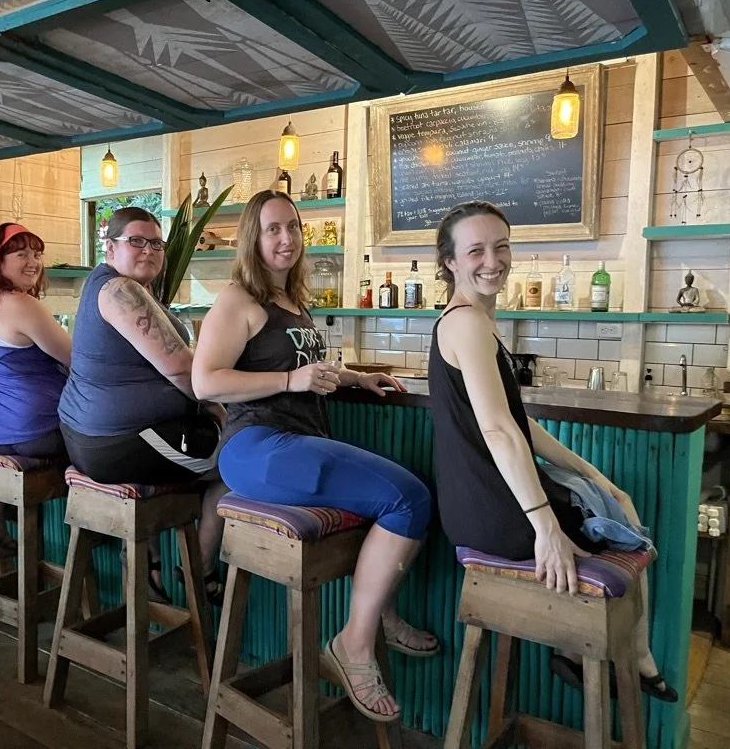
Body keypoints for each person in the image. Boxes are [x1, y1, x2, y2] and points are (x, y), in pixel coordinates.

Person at [191, 190, 437, 724]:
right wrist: (290, 378)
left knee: (405, 497)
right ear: (252, 239)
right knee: (409, 498)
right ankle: (355, 641)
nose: (286, 239)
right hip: (256, 449)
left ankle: (377, 612)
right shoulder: (239, 300)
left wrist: (353, 377)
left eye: (293, 228)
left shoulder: (294, 303)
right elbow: (204, 379)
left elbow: (311, 371)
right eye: (273, 229)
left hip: (295, 443)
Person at [427, 200, 676, 702]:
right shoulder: (467, 324)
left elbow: (521, 427)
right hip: (493, 512)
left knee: (614, 499)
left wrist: (598, 477)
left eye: (500, 247)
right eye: (475, 250)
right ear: (450, 261)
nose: (491, 260)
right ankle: (630, 656)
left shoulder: (473, 322)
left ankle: (594, 651)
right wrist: (546, 529)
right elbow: (499, 432)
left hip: (477, 503)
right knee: (630, 534)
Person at [59, 207, 228, 605]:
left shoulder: (113, 288)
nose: (148, 250)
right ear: (110, 246)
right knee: (238, 462)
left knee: (190, 443)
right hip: (118, 442)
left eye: (156, 243)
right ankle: (196, 570)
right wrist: (220, 406)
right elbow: (181, 368)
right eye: (136, 241)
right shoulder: (120, 290)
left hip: (98, 438)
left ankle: (147, 562)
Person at [0, 222, 71, 558]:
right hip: (35, 433)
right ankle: (94, 524)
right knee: (102, 440)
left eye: (37, 254)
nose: (33, 261)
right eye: (21, 254)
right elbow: (77, 359)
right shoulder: (20, 303)